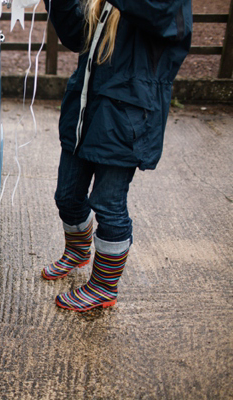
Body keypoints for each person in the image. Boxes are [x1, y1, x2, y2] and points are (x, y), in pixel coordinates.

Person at [40, 0, 192, 311]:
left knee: (108, 204)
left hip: (127, 118)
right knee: (66, 196)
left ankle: (103, 286)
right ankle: (78, 251)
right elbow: (75, 36)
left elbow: (164, 19)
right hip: (84, 114)